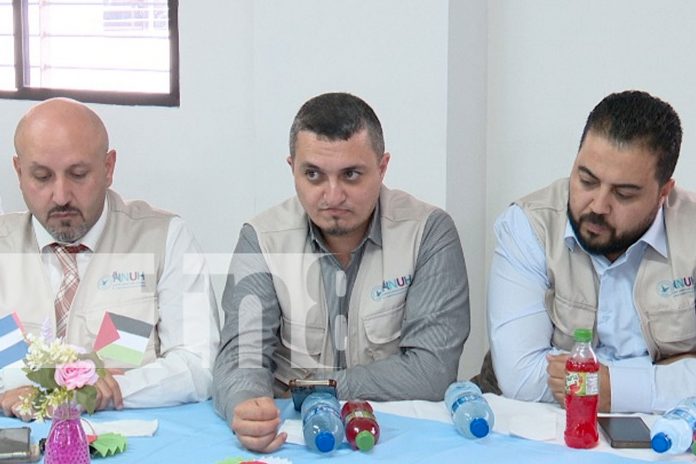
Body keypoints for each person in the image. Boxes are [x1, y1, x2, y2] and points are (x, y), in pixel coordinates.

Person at [213, 92, 470, 452]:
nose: (332, 196)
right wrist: (247, 406)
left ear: (382, 167)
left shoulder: (429, 233)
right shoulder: (261, 238)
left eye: (351, 175)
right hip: (293, 437)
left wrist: (314, 388)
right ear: (292, 168)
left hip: (399, 437)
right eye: (313, 175)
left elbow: (431, 371)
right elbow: (241, 357)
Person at [0, 98, 219, 416]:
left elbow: (199, 366)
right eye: (42, 177)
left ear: (108, 168)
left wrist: (108, 391)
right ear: (19, 172)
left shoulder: (164, 238)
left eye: (78, 174)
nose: (61, 196)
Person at [484, 90, 696, 414]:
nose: (597, 205)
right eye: (586, 180)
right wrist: (664, 375)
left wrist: (616, 387)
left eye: (624, 194)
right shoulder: (529, 225)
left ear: (663, 193)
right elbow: (522, 377)